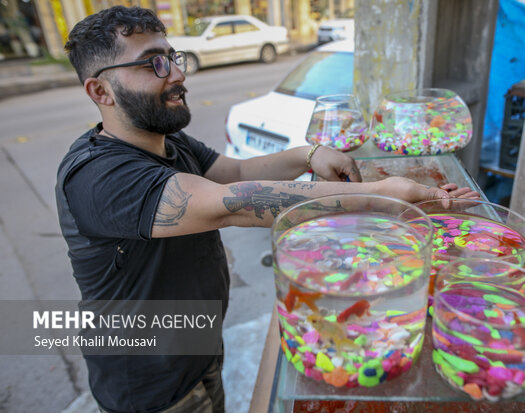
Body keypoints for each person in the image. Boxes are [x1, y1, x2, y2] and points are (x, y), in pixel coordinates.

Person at [56, 6, 479, 413]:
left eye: (172, 57)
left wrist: (308, 154)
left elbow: (236, 170)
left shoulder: (167, 140)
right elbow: (228, 206)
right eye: (154, 64)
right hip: (147, 379)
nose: (179, 74)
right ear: (100, 90)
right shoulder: (98, 176)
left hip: (196, 343)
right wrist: (381, 195)